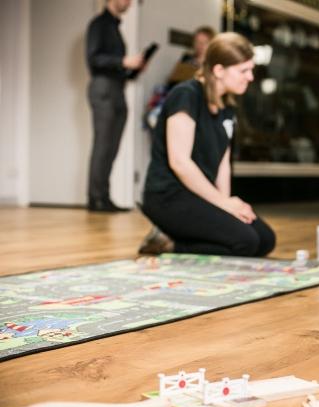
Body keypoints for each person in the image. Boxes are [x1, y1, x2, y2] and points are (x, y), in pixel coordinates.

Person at [139, 32, 276, 257]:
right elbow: (180, 163)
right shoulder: (186, 95)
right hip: (168, 197)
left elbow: (223, 163)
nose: (250, 77)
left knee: (265, 240)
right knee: (246, 242)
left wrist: (228, 205)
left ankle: (179, 239)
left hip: (201, 195)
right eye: (244, 71)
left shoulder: (227, 108)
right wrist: (223, 204)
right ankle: (168, 244)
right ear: (219, 70)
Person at [85, 0, 145, 212]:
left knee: (112, 146)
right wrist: (122, 62)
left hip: (118, 89)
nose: (129, 3)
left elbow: (118, 66)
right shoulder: (98, 25)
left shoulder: (115, 28)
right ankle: (95, 198)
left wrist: (134, 69)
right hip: (103, 89)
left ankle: (104, 196)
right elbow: (93, 59)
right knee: (103, 144)